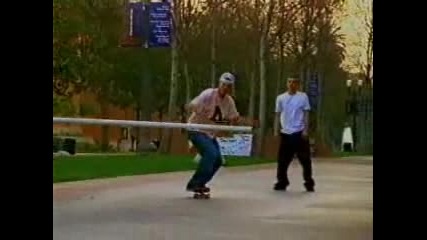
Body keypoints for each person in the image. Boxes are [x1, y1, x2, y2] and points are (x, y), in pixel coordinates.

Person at [185, 72, 240, 193]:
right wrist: (195, 107)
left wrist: (234, 122)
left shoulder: (229, 101)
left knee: (218, 160)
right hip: (196, 129)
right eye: (224, 85)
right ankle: (194, 183)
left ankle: (200, 183)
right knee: (211, 154)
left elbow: (234, 117)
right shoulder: (208, 94)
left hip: (209, 134)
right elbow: (192, 105)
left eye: (229, 86)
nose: (225, 88)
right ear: (219, 84)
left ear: (231, 88)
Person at [273, 76, 315, 192]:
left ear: (298, 84)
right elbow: (277, 114)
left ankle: (309, 182)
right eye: (290, 82)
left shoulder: (303, 97)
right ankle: (282, 181)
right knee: (282, 160)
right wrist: (276, 130)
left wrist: (306, 130)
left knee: (305, 160)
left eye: (294, 82)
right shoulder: (281, 98)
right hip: (286, 132)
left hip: (299, 132)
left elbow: (306, 113)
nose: (292, 84)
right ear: (287, 83)